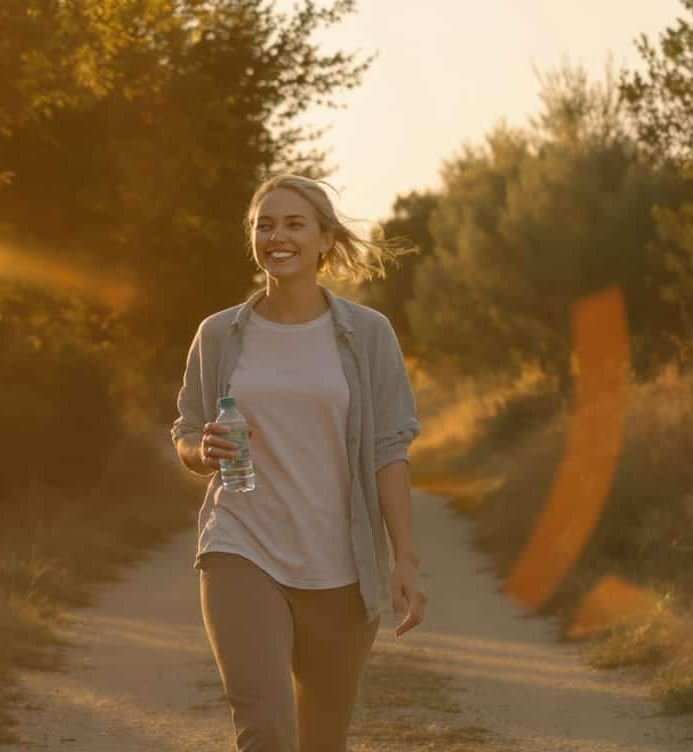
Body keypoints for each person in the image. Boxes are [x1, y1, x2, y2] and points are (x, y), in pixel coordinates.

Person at [170, 174, 427, 752]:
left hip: (340, 563)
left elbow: (390, 448)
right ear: (252, 239)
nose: (275, 236)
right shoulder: (219, 335)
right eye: (264, 225)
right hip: (241, 546)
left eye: (293, 224)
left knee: (321, 741)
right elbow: (187, 432)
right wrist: (201, 450)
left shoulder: (368, 334)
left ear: (324, 240)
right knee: (266, 731)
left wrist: (405, 559)